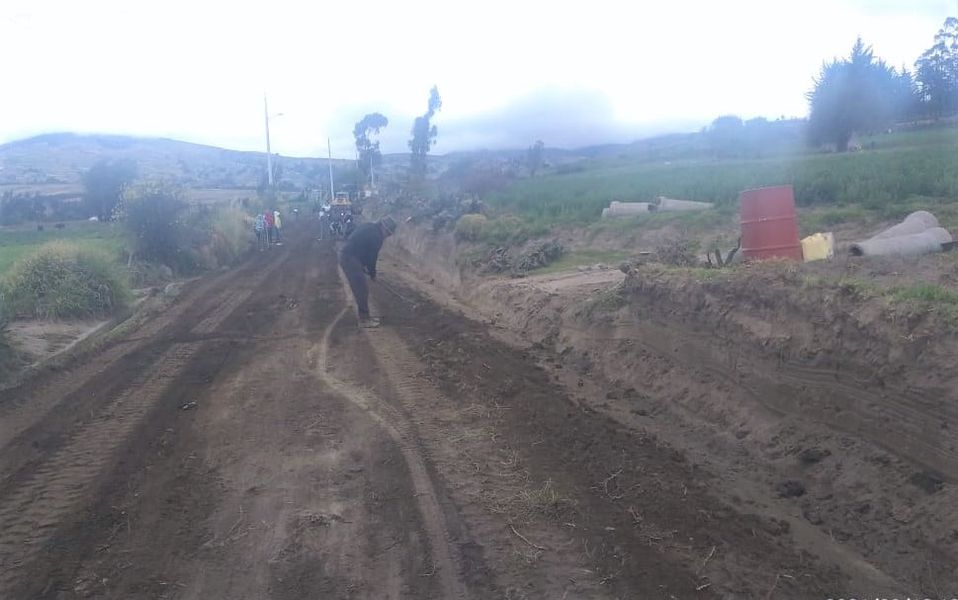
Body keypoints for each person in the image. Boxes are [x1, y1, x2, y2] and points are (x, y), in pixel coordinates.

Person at [339, 216, 397, 325]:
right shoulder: (377, 236)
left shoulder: (369, 226)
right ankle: (364, 320)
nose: (386, 237)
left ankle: (365, 317)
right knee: (361, 289)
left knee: (361, 288)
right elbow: (372, 257)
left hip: (349, 256)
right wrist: (372, 273)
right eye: (388, 234)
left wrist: (362, 264)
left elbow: (354, 238)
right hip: (350, 258)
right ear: (383, 227)